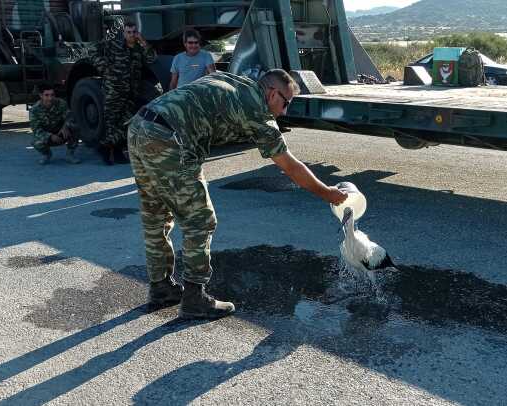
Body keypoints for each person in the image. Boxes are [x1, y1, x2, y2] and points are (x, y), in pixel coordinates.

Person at [127, 69, 348, 319]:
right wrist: (327, 193)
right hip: (170, 138)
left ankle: (161, 288)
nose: (284, 111)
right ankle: (194, 299)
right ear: (272, 93)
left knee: (156, 215)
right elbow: (291, 167)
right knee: (200, 220)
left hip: (140, 126)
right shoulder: (257, 112)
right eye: (285, 103)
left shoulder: (236, 81)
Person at [94, 21, 157, 165]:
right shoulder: (113, 45)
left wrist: (143, 41)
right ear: (124, 33)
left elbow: (152, 57)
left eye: (134, 32)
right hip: (114, 90)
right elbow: (93, 50)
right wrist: (103, 68)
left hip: (130, 92)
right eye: (128, 32)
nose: (131, 35)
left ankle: (109, 148)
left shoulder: (139, 49)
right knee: (111, 122)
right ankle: (109, 152)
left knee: (125, 123)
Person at [29, 83, 80, 165]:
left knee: (75, 127)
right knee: (35, 141)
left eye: (52, 95)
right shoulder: (34, 110)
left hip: (62, 133)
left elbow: (70, 117)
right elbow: (36, 129)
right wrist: (50, 136)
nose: (50, 98)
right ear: (41, 95)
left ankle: (70, 154)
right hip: (48, 136)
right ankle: (47, 155)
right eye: (46, 95)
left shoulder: (61, 103)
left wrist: (65, 126)